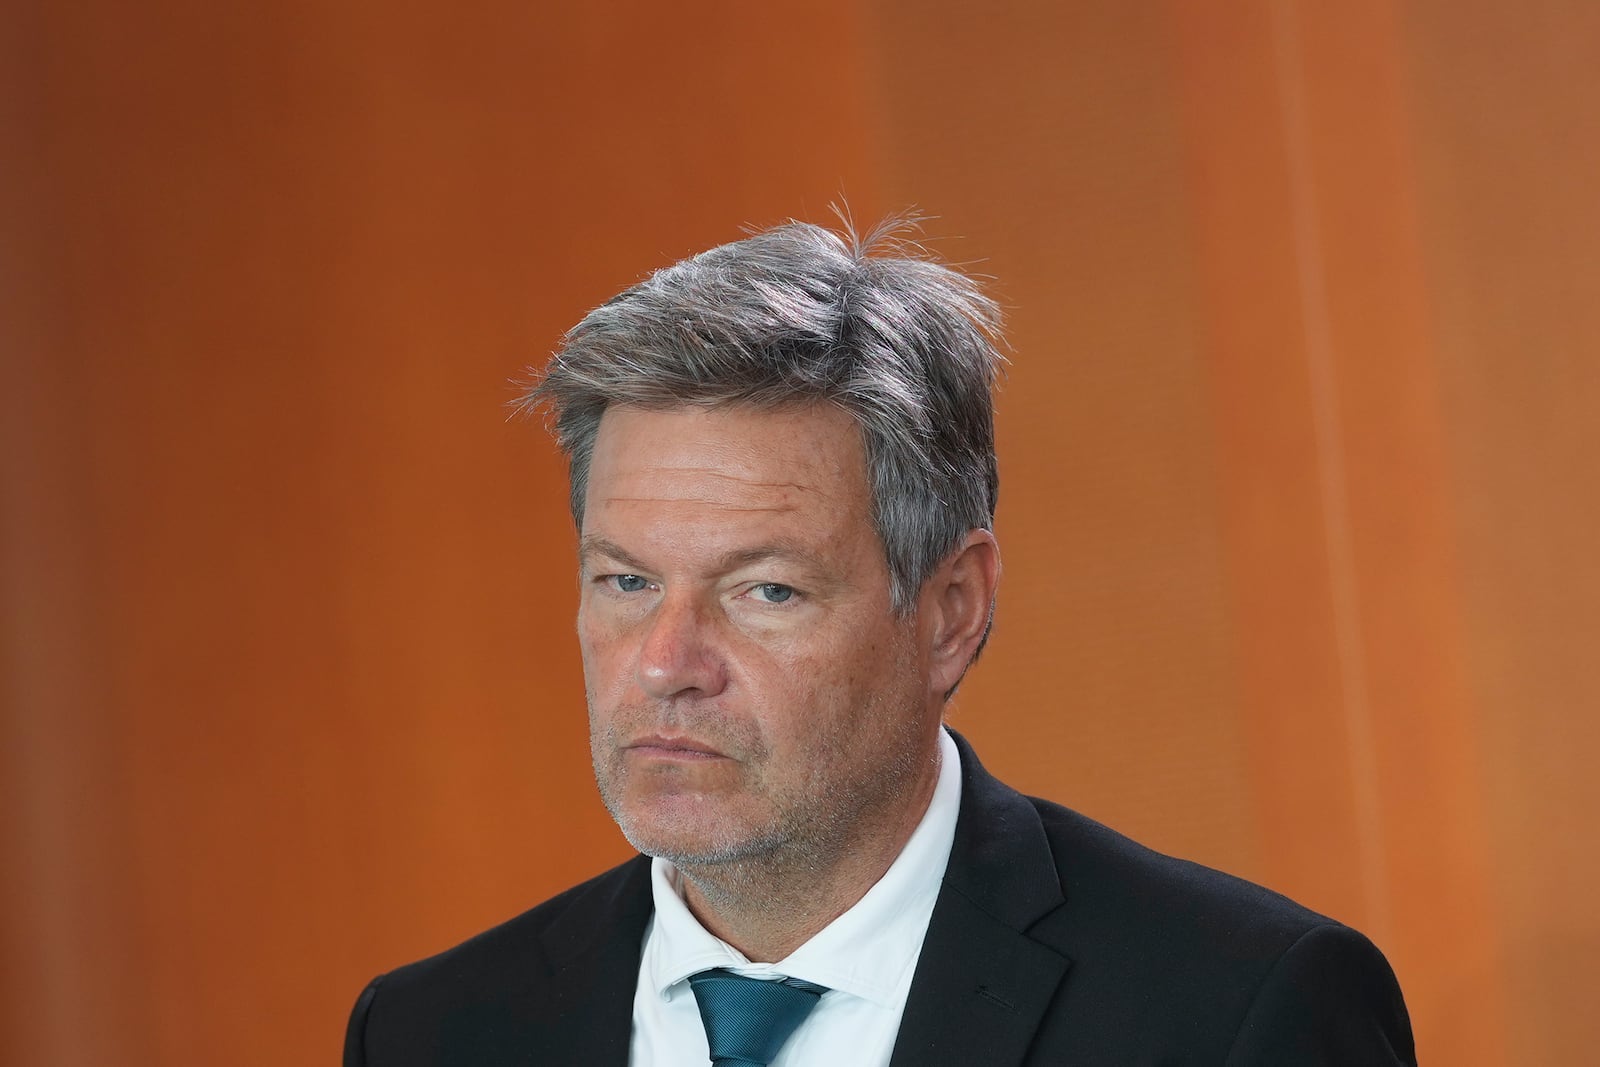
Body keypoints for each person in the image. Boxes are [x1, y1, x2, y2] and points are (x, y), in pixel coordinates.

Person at [344, 216, 1416, 1066]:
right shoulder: (430, 1031)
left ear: (951, 608)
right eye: (627, 579)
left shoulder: (1235, 1011)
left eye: (764, 589)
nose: (665, 662)